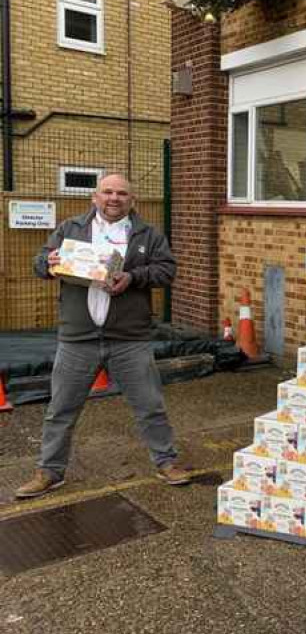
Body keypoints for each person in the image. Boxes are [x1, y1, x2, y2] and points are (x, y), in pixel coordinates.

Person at [16, 174, 190, 499]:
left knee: (149, 405)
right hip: (78, 337)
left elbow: (167, 270)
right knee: (61, 409)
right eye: (107, 192)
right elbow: (39, 263)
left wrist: (134, 276)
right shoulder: (70, 229)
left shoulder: (147, 235)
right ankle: (49, 472)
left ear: (131, 200)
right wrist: (49, 263)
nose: (114, 198)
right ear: (95, 197)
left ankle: (166, 461)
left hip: (129, 338)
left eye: (121, 193)